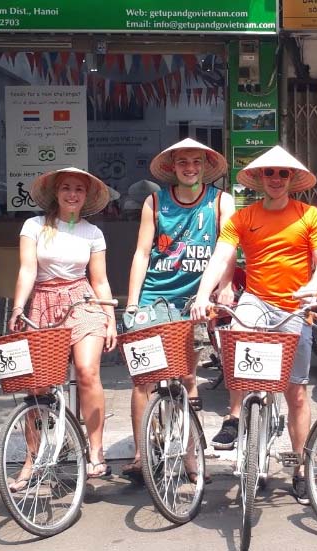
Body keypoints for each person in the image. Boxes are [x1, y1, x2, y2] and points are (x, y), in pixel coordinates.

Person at [190, 145, 317, 504]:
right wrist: (204, 295)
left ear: (292, 179)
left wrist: (312, 288)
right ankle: (235, 417)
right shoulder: (243, 217)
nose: (276, 179)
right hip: (257, 299)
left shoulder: (309, 215)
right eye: (269, 172)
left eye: (283, 173)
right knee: (238, 337)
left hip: (294, 307)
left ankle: (301, 466)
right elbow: (221, 256)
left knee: (296, 391)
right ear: (258, 178)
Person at [123, 138, 235, 480]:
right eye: (183, 162)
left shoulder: (221, 202)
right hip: (154, 298)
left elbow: (229, 248)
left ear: (205, 166)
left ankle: (190, 455)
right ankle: (142, 454)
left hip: (196, 302)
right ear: (173, 167)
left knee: (188, 376)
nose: (190, 167)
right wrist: (131, 302)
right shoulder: (155, 202)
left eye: (196, 162)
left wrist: (226, 286)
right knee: (144, 379)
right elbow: (142, 253)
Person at [8, 167, 117, 482]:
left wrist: (110, 320)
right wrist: (18, 306)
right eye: (66, 188)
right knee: (37, 386)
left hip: (83, 301)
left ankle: (96, 451)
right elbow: (27, 270)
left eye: (79, 190)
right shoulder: (34, 226)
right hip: (43, 302)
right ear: (55, 193)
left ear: (86, 197)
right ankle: (32, 458)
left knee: (87, 371)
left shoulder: (93, 233)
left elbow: (100, 280)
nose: (72, 194)